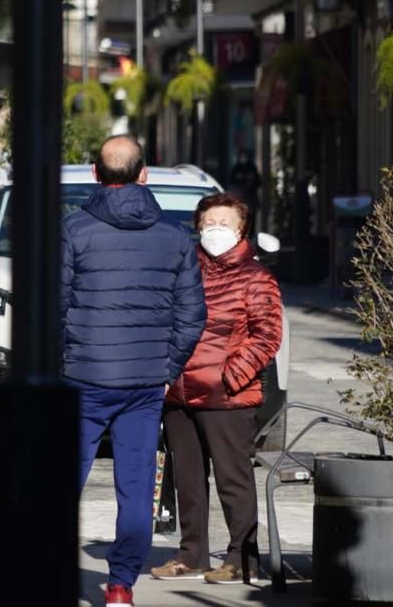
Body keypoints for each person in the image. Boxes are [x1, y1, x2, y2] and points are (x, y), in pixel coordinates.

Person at [61, 135, 207, 607]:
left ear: (94, 174)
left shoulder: (73, 230)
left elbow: (51, 305)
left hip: (82, 377)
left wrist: (64, 358)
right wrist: (167, 367)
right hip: (144, 382)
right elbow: (192, 314)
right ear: (144, 174)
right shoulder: (175, 236)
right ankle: (121, 585)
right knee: (136, 484)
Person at [150, 193, 282, 585]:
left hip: (227, 397)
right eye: (208, 223)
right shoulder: (183, 268)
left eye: (224, 223)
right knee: (188, 480)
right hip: (179, 392)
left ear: (241, 228)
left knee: (233, 479)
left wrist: (230, 375)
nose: (215, 230)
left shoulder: (256, 277)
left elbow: (267, 336)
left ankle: (242, 557)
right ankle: (191, 554)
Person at [227, 149, 261, 220]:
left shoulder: (252, 168)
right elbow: (232, 181)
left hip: (250, 198)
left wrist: (251, 183)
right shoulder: (236, 168)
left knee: (251, 218)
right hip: (240, 198)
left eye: (245, 156)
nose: (243, 158)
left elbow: (258, 182)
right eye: (242, 156)